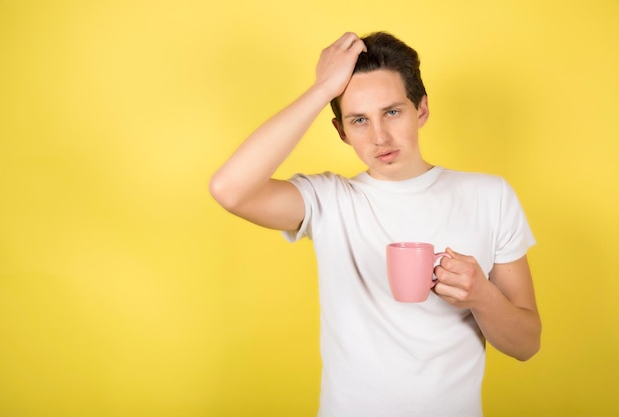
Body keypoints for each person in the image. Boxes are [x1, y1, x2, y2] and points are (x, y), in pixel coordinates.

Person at [209, 31, 541, 417]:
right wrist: (322, 90)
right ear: (341, 131)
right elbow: (229, 189)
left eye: (392, 112)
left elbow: (526, 344)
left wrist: (482, 296)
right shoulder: (329, 200)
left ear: (422, 110)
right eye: (359, 120)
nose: (380, 136)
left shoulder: (490, 196)